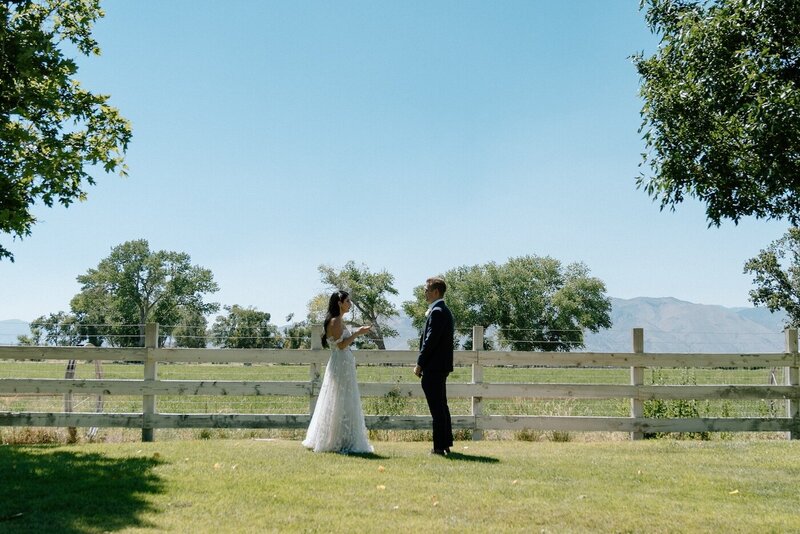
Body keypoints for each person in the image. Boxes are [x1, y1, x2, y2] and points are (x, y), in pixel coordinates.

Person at [303, 290, 374, 453]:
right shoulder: (334, 321)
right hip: (340, 363)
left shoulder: (340, 320)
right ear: (339, 303)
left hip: (345, 363)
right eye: (347, 301)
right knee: (338, 399)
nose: (350, 304)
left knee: (345, 399)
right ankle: (334, 439)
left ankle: (344, 437)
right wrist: (358, 332)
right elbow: (341, 345)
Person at [414, 277, 455, 456]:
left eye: (427, 290)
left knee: (437, 408)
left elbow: (430, 341)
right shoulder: (443, 310)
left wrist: (420, 363)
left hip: (434, 367)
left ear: (436, 292)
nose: (425, 293)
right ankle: (445, 443)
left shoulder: (437, 312)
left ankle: (438, 447)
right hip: (441, 366)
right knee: (441, 406)